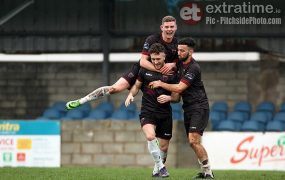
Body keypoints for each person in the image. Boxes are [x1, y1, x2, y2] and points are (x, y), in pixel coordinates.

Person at [65, 15, 178, 109]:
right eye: (166, 27)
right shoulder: (152, 39)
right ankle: (81, 101)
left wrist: (172, 64)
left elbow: (178, 63)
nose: (169, 29)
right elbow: (143, 62)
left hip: (159, 77)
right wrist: (160, 70)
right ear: (162, 27)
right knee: (115, 89)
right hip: (142, 70)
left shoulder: (176, 44)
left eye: (171, 26)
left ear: (176, 27)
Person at [149, 37, 214, 179]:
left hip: (199, 107)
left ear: (190, 52)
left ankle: (208, 172)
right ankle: (205, 171)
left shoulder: (194, 68)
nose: (178, 53)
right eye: (178, 49)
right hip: (188, 108)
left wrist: (160, 83)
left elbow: (179, 87)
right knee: (193, 142)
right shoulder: (179, 64)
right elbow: (177, 96)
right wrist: (169, 98)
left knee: (193, 140)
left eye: (182, 50)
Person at [125, 43, 179, 178]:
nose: (155, 62)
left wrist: (169, 98)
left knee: (164, 148)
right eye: (153, 59)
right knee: (150, 136)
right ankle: (161, 167)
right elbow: (136, 86)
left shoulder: (172, 73)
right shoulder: (144, 70)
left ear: (164, 56)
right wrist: (131, 94)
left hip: (165, 114)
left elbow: (177, 97)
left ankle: (156, 169)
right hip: (148, 111)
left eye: (158, 59)